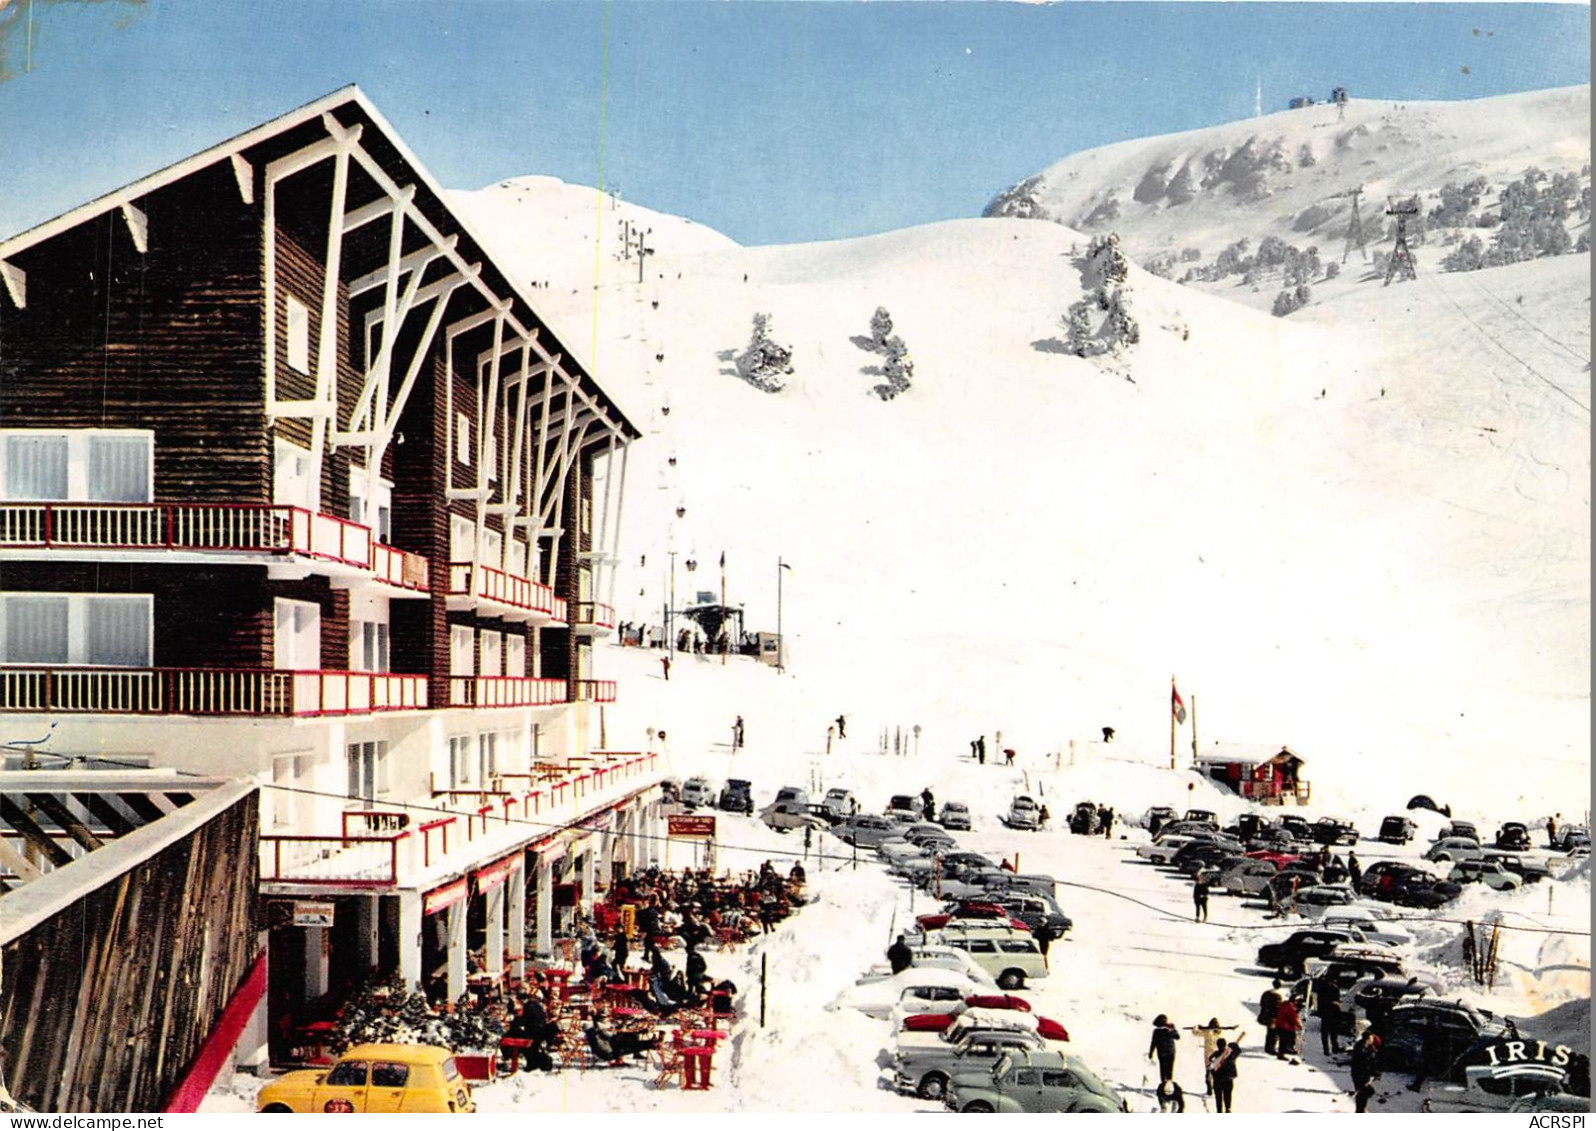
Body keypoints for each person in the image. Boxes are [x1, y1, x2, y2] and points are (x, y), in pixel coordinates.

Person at [1188, 1017, 1239, 1093]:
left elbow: (1195, 1033)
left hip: (1211, 1055)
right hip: (1217, 1055)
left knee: (1210, 1071)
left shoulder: (1207, 1032)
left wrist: (1196, 1027)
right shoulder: (1219, 1032)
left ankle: (1211, 1087)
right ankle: (1212, 1087)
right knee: (1215, 1072)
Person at [1209, 1034, 1243, 1113]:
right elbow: (1238, 1051)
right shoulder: (1230, 1054)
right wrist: (1232, 1045)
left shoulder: (1215, 1055)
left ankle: (1219, 1111)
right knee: (1227, 1097)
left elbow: (1211, 1066)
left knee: (1218, 1098)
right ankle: (1228, 1110)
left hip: (1217, 1080)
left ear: (1217, 1045)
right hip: (1228, 1079)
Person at [1350, 1031, 1382, 1112]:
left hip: (1362, 1073)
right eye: (1371, 1038)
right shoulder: (1362, 1049)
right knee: (1364, 1092)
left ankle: (1361, 1109)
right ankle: (1360, 1110)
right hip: (1360, 1074)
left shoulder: (1366, 1047)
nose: (1372, 1040)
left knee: (1363, 1092)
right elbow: (1367, 1063)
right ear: (1368, 1038)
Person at [1148, 1014, 1181, 1085]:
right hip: (1166, 1052)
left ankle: (1167, 1084)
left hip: (1167, 1052)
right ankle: (1166, 1084)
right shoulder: (1157, 1031)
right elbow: (1154, 1042)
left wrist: (1172, 1030)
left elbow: (1177, 1037)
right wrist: (1151, 1052)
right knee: (1166, 1069)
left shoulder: (1165, 1030)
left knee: (1166, 1069)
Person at [1258, 981, 1283, 1057]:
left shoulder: (1266, 993)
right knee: (1273, 1033)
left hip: (1264, 1015)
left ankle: (1268, 1047)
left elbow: (1261, 1003)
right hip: (1273, 1017)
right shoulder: (1278, 995)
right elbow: (1277, 1008)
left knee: (1270, 1032)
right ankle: (1270, 1048)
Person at [1274, 996, 1303, 1060]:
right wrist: (1299, 1025)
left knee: (1282, 1040)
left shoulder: (1285, 1004)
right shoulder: (1290, 1007)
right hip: (1285, 1026)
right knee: (1289, 1037)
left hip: (1279, 1024)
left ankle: (1281, 1053)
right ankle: (1287, 1049)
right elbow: (1294, 1017)